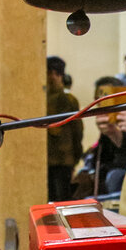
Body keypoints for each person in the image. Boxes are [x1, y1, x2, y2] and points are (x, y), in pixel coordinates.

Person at [46, 55, 83, 202]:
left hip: (62, 162)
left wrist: (75, 157)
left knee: (62, 203)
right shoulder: (40, 99)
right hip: (51, 161)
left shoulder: (68, 100)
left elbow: (77, 132)